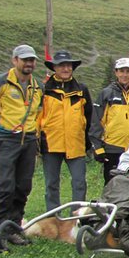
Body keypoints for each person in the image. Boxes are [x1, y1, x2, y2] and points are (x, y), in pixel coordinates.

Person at [0, 45, 44, 253]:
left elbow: (38, 112)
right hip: (6, 140)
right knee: (5, 187)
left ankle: (14, 228)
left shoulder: (37, 86)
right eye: (24, 60)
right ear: (14, 60)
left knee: (23, 186)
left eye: (32, 60)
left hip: (28, 141)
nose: (29, 64)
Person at [39, 50, 93, 211]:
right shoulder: (44, 90)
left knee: (79, 183)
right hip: (51, 143)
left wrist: (86, 139)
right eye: (61, 65)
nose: (65, 69)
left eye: (68, 65)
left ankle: (76, 217)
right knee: (51, 184)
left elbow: (89, 117)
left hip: (76, 143)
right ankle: (53, 217)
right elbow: (37, 117)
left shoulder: (82, 89)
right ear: (54, 67)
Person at [90, 58, 129, 184]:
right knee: (112, 183)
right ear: (116, 72)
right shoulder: (106, 94)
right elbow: (96, 122)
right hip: (113, 148)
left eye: (128, 71)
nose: (125, 75)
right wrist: (98, 148)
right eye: (121, 71)